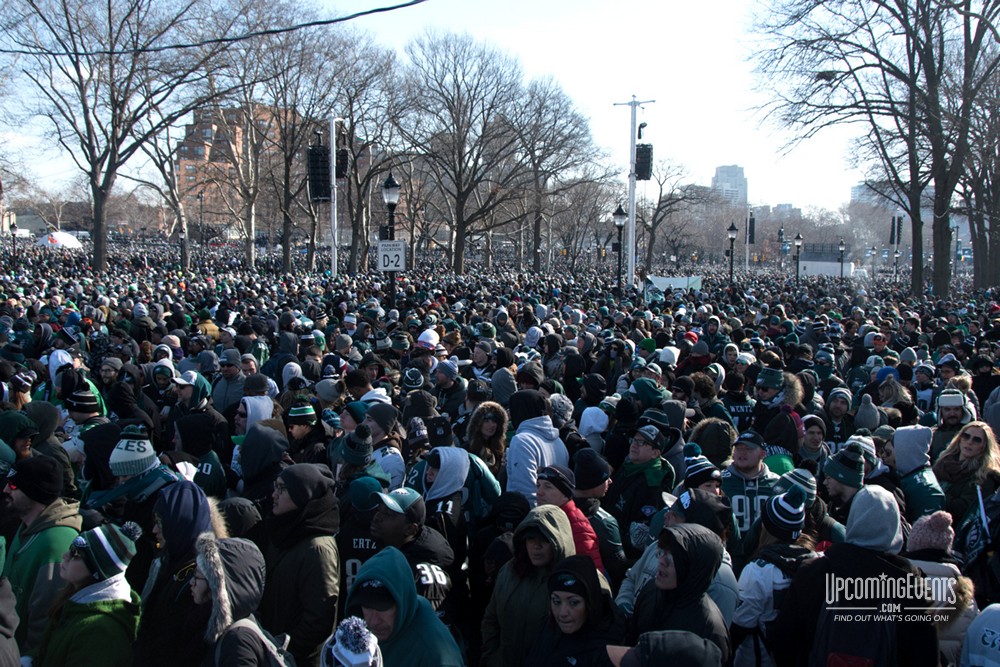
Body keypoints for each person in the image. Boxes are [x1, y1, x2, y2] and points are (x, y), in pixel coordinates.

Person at [770, 485, 938, 666]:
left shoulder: (814, 572)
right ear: (894, 526)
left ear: (854, 520)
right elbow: (926, 657)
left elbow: (784, 642)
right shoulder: (913, 589)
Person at [259, 463, 341, 667]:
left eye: (283, 489)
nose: (274, 495)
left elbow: (319, 620)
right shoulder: (285, 531)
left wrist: (285, 651)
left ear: (302, 495)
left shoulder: (318, 549)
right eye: (275, 487)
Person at [134, 480, 222, 667]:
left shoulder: (198, 578)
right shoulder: (170, 559)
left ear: (180, 523)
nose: (154, 530)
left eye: (160, 523)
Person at [2, 456, 82, 659]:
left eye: (13, 485)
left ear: (33, 493)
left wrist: (26, 659)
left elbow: (45, 619)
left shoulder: (56, 541)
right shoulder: (27, 524)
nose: (5, 490)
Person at [35, 523, 142, 667]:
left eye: (76, 554)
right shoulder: (76, 599)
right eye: (71, 548)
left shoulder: (101, 633)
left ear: (97, 571)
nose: (65, 556)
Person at [481, 504, 576, 667]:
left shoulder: (577, 582)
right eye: (530, 538)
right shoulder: (509, 571)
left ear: (560, 542)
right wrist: (491, 658)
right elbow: (491, 619)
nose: (535, 546)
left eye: (544, 540)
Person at [731, 485, 815, 667]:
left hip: (758, 659)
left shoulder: (758, 570)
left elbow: (740, 625)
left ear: (765, 525)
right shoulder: (816, 562)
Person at [625, 523, 731, 662]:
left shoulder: (710, 629)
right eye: (661, 552)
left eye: (672, 558)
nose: (661, 561)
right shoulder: (652, 590)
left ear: (694, 569)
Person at [345, 547, 463, 667]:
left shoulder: (435, 655)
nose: (374, 621)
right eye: (367, 607)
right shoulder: (351, 635)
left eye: (383, 608)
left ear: (404, 603)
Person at [193, 532, 276, 666]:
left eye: (197, 576)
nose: (192, 582)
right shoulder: (231, 631)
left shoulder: (238, 641)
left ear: (218, 586)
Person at [524, 555, 623, 667]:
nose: (563, 613)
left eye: (574, 603)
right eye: (556, 601)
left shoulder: (608, 651)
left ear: (590, 602)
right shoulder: (549, 627)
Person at [602, 423, 676, 561]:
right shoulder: (629, 466)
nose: (635, 445)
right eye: (634, 440)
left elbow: (638, 536)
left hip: (620, 553)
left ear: (655, 453)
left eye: (642, 442)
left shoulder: (653, 484)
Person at [506, 389, 569, 506]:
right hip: (556, 515)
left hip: (530, 517)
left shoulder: (521, 441)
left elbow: (524, 492)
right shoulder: (559, 442)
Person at [536, 465, 605, 572]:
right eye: (538, 485)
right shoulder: (540, 517)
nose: (539, 492)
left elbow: (591, 574)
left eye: (548, 486)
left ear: (565, 494)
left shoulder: (578, 526)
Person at [932, 420, 1000, 525]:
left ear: (984, 446)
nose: (969, 441)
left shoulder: (984, 475)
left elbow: (965, 508)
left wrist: (935, 494)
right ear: (959, 439)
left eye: (977, 440)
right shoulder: (942, 462)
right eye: (966, 436)